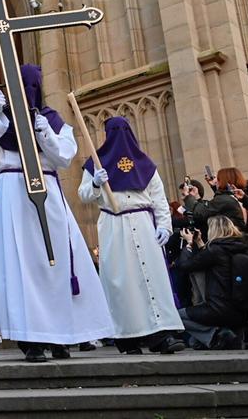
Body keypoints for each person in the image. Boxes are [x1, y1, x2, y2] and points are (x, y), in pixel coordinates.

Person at [0, 64, 114, 363]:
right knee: (23, 267)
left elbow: (63, 156)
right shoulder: (0, 120)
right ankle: (31, 338)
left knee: (56, 262)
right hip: (13, 196)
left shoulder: (53, 120)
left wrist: (42, 130)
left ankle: (62, 336)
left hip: (47, 193)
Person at [77, 116, 185, 355]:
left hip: (144, 223)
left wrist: (165, 226)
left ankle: (161, 334)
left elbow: (159, 199)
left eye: (123, 129)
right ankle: (127, 337)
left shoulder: (145, 164)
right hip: (114, 224)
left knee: (152, 279)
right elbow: (83, 195)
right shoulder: (95, 163)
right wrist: (95, 183)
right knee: (121, 282)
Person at [175, 215, 248, 349]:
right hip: (241, 310)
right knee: (195, 343)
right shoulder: (241, 246)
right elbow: (210, 260)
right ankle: (220, 336)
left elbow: (185, 265)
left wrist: (188, 244)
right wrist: (200, 243)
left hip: (217, 308)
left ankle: (216, 334)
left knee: (175, 317)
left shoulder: (216, 250)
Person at [182, 167, 247, 235]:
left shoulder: (224, 199)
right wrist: (197, 197)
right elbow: (212, 207)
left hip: (229, 241)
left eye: (218, 179)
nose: (216, 180)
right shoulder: (232, 197)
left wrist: (188, 197)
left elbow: (201, 213)